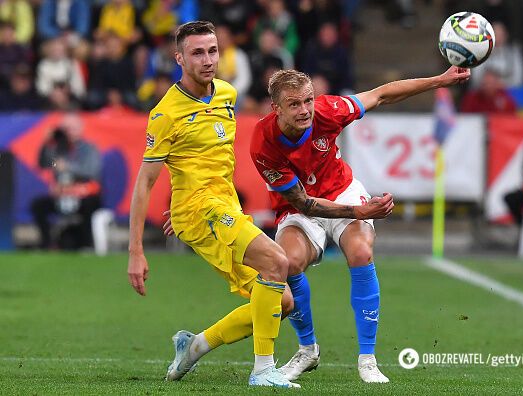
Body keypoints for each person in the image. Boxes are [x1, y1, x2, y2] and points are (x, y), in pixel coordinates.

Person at [127, 20, 394, 388]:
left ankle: (194, 346)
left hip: (222, 207)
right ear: (179, 58)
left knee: (281, 302)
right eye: (197, 53)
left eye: (212, 50)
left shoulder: (225, 94)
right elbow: (145, 182)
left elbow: (201, 162)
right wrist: (137, 249)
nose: (207, 60)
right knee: (278, 261)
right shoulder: (165, 114)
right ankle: (263, 370)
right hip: (203, 210)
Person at [248, 66, 470, 383]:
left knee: (361, 252)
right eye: (294, 104)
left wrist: (439, 80)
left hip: (341, 189)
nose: (305, 110)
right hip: (300, 205)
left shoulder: (328, 111)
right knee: (289, 263)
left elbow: (380, 94)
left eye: (308, 100)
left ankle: (367, 358)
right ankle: (307, 350)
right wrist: (361, 212)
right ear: (276, 108)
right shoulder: (263, 143)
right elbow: (303, 203)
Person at [31, 112, 101, 249]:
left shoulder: (89, 149)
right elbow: (45, 164)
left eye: (72, 128)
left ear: (80, 129)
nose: (69, 133)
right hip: (62, 196)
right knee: (38, 206)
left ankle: (87, 244)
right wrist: (46, 143)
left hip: (84, 195)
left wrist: (68, 167)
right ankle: (48, 244)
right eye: (66, 129)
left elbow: (92, 171)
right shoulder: (58, 149)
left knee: (90, 205)